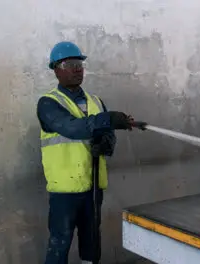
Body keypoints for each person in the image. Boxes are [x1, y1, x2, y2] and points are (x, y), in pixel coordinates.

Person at [36, 41, 146, 264]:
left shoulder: (96, 102)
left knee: (92, 242)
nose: (77, 68)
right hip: (65, 191)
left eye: (79, 63)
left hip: (93, 188)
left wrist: (107, 143)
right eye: (69, 64)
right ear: (56, 69)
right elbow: (71, 128)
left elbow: (107, 135)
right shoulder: (48, 103)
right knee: (60, 242)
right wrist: (109, 119)